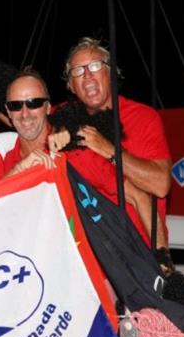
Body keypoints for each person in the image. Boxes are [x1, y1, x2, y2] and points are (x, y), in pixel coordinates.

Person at [50, 37, 171, 251]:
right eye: (77, 71)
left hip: (139, 254)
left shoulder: (143, 117)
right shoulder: (60, 117)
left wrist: (110, 150)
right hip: (86, 254)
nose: (87, 75)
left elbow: (161, 185)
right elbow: (23, 118)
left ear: (111, 74)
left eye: (95, 66)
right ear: (71, 85)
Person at [2, 68, 53, 171]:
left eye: (33, 103)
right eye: (15, 105)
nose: (25, 114)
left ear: (48, 107)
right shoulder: (3, 162)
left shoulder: (71, 149)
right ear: (8, 112)